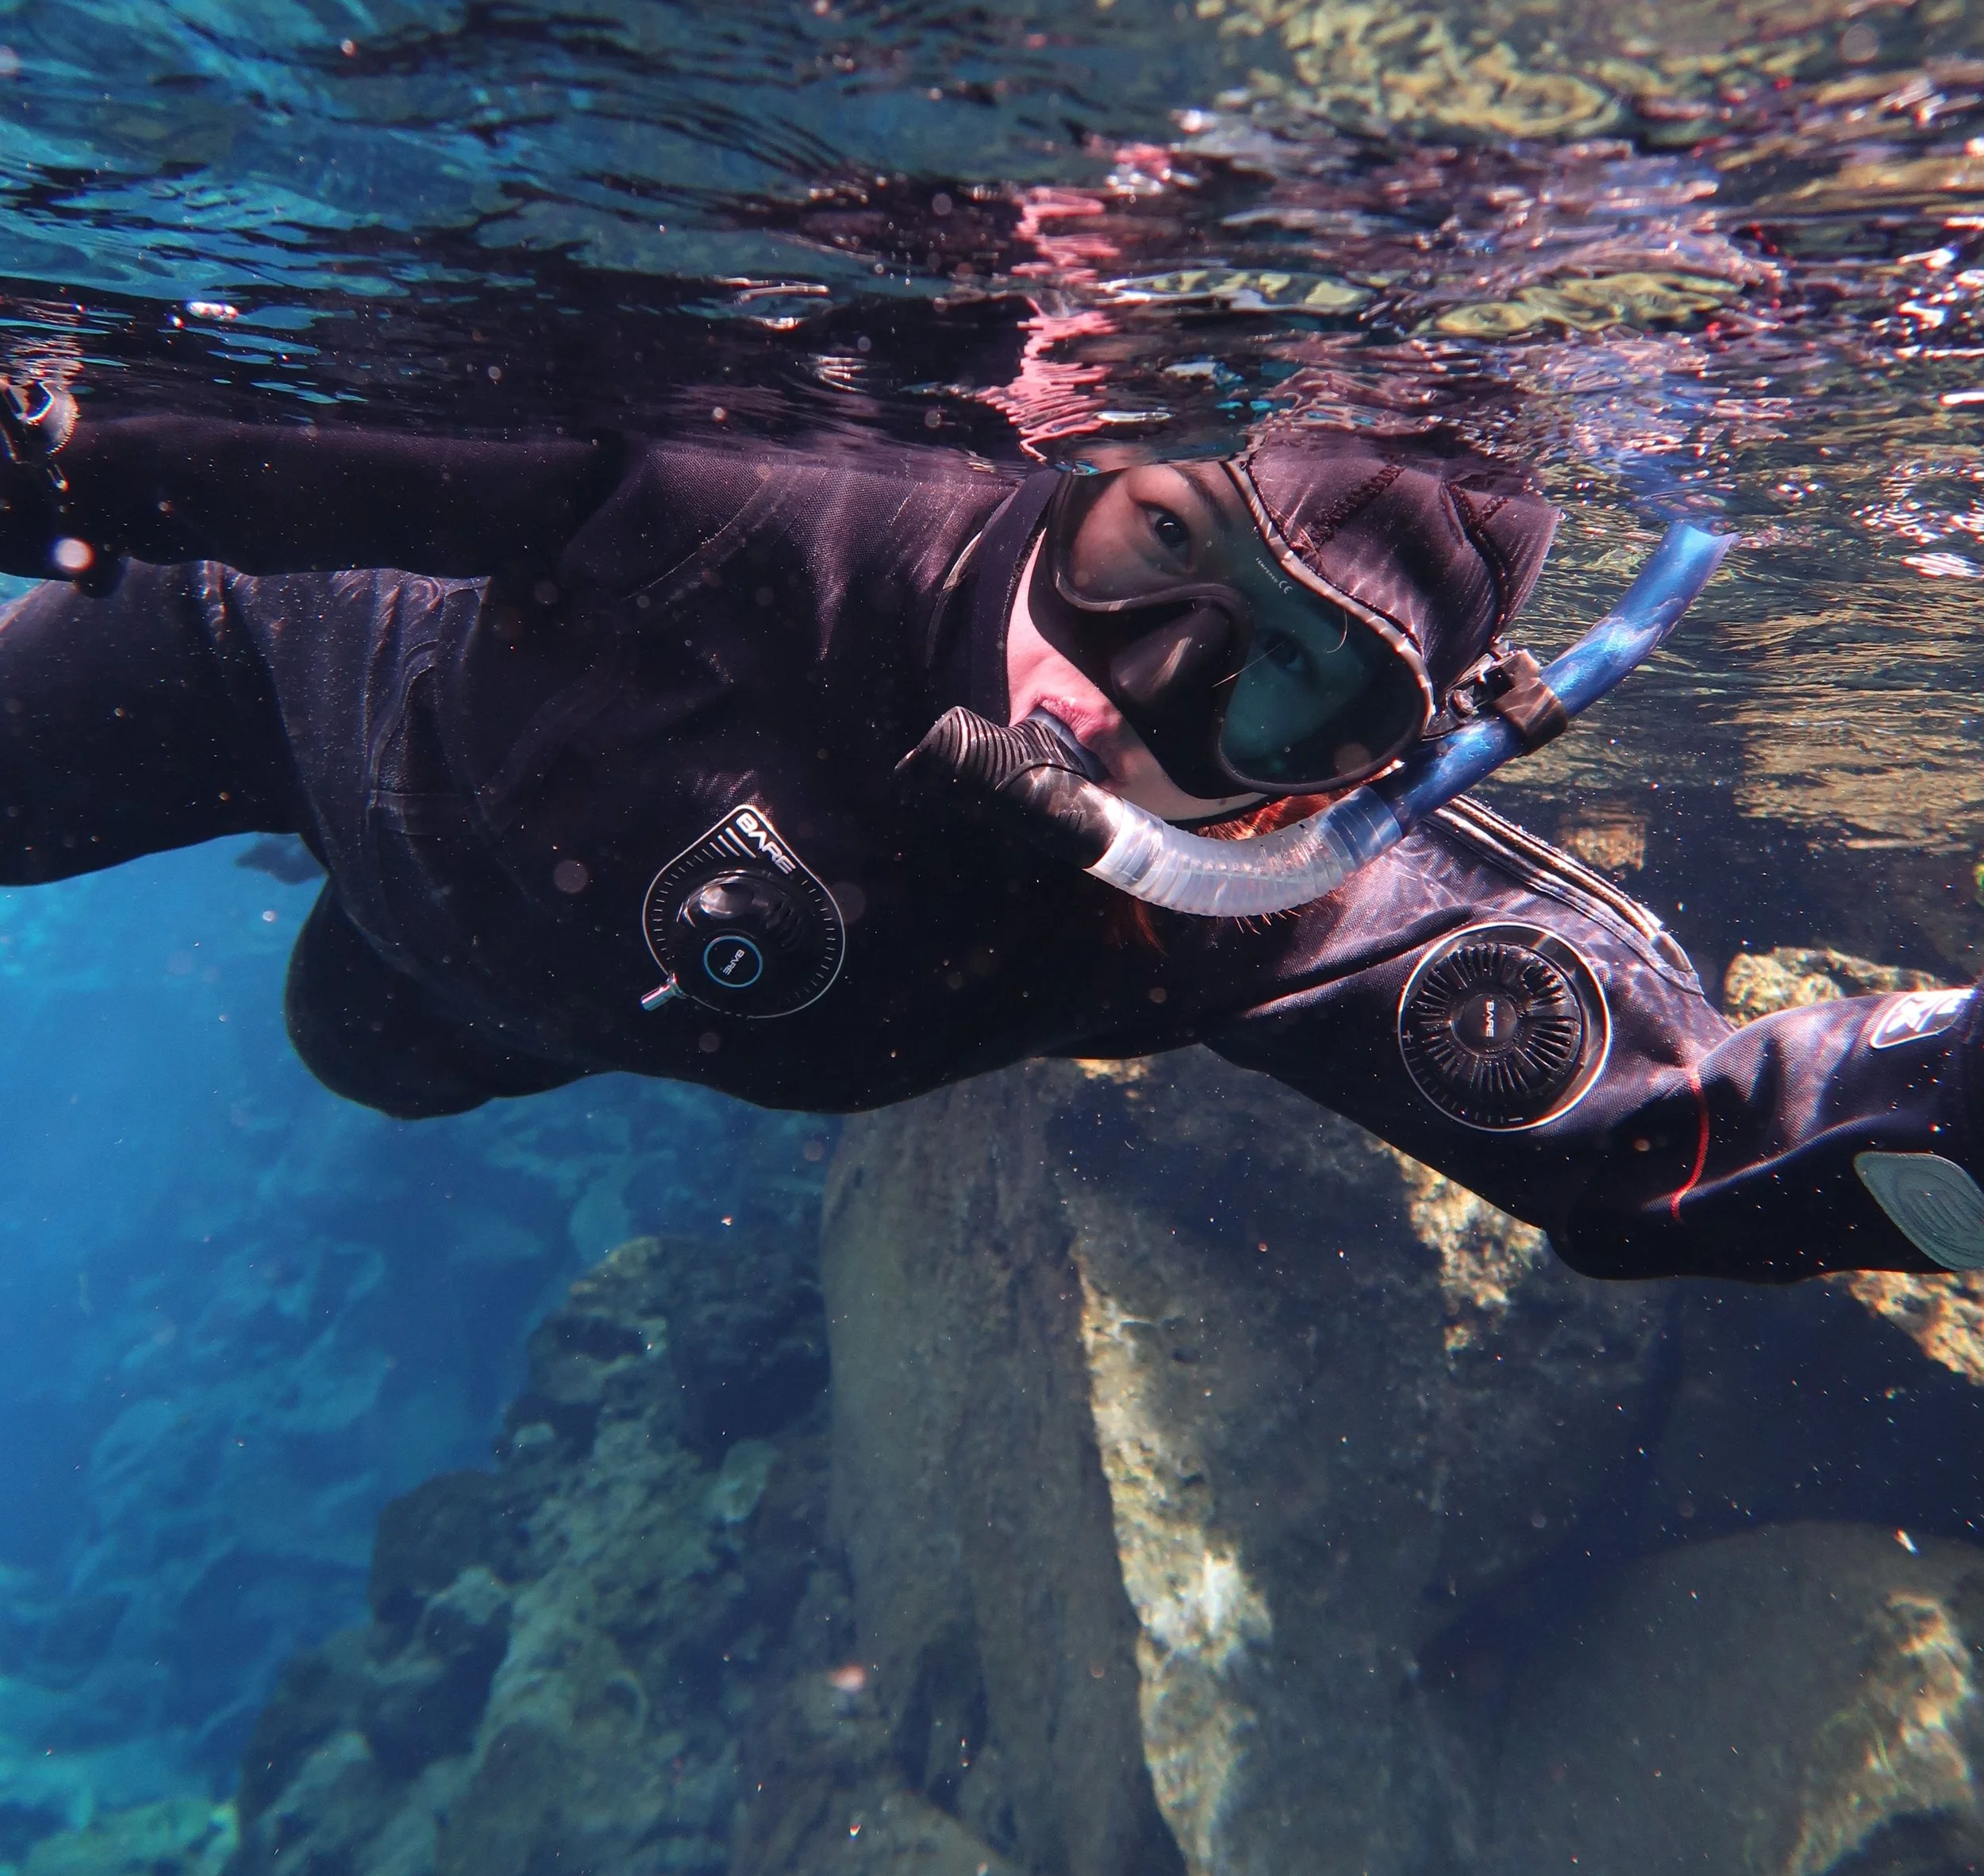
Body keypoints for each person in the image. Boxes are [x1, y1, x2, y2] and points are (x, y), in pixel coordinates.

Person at [0, 371, 1977, 1286]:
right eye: (1156, 552)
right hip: (254, 658)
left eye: (1282, 683)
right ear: (1082, 471)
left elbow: (1678, 1143)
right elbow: (246, 435)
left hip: (490, 976)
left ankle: (352, 909)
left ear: (1339, 774)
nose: (1135, 682)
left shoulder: (1246, 905)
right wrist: (72, 457)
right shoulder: (773, 498)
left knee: (359, 1047)